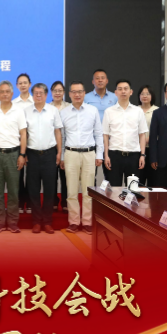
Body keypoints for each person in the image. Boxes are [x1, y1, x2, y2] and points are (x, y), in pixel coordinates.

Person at [60, 82, 103, 234]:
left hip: (89, 154)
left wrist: (99, 154)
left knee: (87, 191)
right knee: (71, 191)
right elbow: (62, 137)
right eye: (74, 92)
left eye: (80, 92)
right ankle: (73, 221)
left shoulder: (92, 110)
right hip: (71, 154)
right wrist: (62, 157)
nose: (77, 95)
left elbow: (98, 134)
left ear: (84, 93)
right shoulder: (63, 112)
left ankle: (87, 222)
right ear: (69, 94)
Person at [0, 81, 27, 233]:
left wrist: (22, 154)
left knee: (13, 191)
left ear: (12, 94)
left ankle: (12, 222)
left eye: (7, 92)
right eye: (2, 92)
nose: (4, 94)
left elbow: (23, 134)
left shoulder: (18, 111)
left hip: (13, 154)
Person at [25, 84, 62, 235]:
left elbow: (58, 132)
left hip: (49, 154)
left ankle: (47, 222)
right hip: (32, 154)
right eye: (35, 93)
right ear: (32, 95)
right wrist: (23, 153)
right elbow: (24, 134)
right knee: (33, 190)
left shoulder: (53, 111)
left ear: (46, 95)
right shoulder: (26, 111)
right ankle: (36, 221)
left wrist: (59, 152)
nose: (38, 95)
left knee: (49, 189)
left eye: (41, 93)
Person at [103, 79, 147, 187]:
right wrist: (106, 155)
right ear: (115, 92)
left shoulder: (138, 111)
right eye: (120, 89)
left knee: (132, 190)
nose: (123, 91)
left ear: (131, 92)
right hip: (114, 155)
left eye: (126, 89)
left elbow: (142, 134)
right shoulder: (109, 111)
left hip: (133, 156)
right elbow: (105, 135)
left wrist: (142, 155)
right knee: (114, 189)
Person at [13, 73, 34, 213]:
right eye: (20, 83)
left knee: (31, 175)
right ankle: (20, 203)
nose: (23, 85)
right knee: (18, 175)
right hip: (18, 143)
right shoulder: (14, 104)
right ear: (17, 86)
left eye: (25, 82)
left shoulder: (35, 101)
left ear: (30, 84)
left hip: (33, 143)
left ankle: (30, 203)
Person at [51, 80, 69, 211]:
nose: (57, 93)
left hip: (66, 146)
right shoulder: (47, 107)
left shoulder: (69, 107)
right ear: (51, 92)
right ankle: (53, 201)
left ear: (64, 92)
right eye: (55, 91)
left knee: (65, 177)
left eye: (60, 91)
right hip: (51, 147)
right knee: (52, 177)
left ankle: (65, 202)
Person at [137, 84, 158, 186]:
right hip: (137, 150)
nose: (145, 96)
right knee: (138, 181)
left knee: (153, 181)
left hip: (152, 150)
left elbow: (161, 130)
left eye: (148, 94)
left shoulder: (157, 111)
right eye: (142, 94)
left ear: (152, 96)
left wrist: (151, 138)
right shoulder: (134, 110)